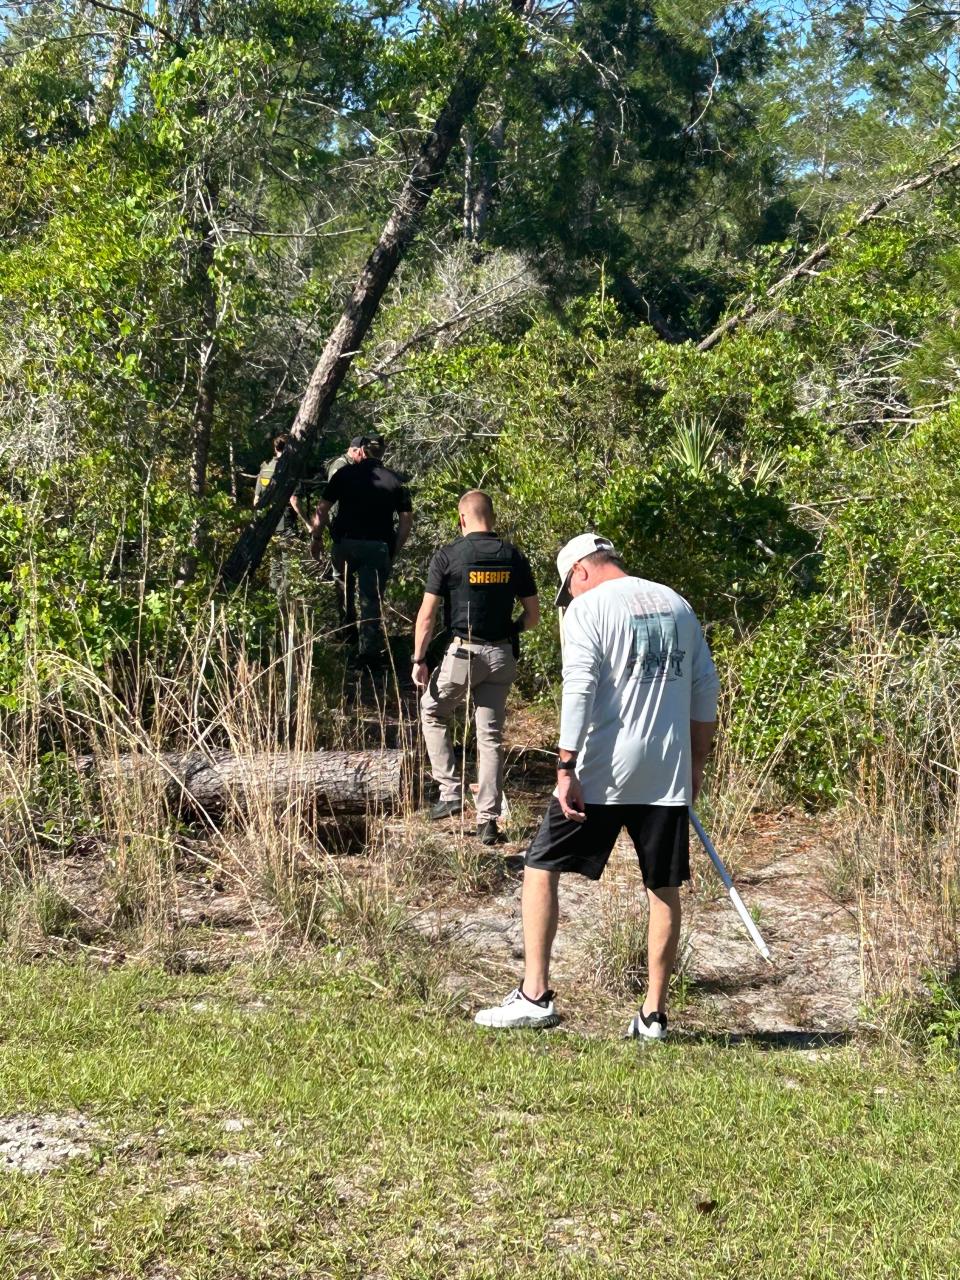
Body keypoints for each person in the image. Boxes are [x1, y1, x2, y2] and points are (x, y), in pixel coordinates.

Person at [474, 533, 719, 1038]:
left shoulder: (588, 611)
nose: (571, 601)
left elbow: (579, 688)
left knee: (540, 866)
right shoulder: (677, 603)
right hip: (666, 771)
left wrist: (566, 767)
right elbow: (704, 688)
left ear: (580, 572)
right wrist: (696, 763)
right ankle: (653, 1015)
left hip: (602, 771)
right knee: (663, 887)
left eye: (569, 590)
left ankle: (535, 995)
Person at [412, 491, 539, 846]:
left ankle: (450, 793)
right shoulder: (513, 556)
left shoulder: (449, 555)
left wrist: (419, 660)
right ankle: (488, 821)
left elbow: (427, 616)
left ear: (461, 518)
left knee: (433, 711)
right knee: (490, 738)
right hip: (501, 657)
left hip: (462, 656)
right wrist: (509, 631)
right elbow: (533, 617)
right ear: (492, 518)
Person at [310, 435, 413, 664]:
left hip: (345, 543)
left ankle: (347, 634)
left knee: (342, 586)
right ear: (382, 453)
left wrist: (316, 538)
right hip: (377, 546)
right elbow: (406, 519)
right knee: (371, 598)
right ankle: (368, 653)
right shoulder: (395, 480)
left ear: (363, 451)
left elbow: (322, 508)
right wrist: (394, 547)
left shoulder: (343, 474)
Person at [254, 434, 307, 595]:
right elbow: (294, 499)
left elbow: (256, 500)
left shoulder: (265, 469)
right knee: (289, 563)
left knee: (274, 562)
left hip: (268, 525)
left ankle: (273, 596)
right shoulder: (290, 471)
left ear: (275, 448)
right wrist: (308, 522)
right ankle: (285, 599)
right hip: (286, 523)